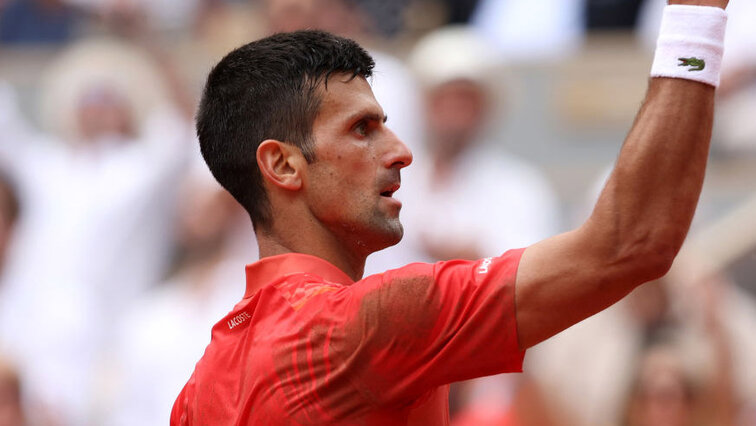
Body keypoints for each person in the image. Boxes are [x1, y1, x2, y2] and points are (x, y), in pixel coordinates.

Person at [172, 0, 730, 423]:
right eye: (363, 128)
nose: (401, 150)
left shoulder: (199, 387)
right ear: (284, 166)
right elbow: (633, 241)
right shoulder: (363, 324)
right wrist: (696, 18)